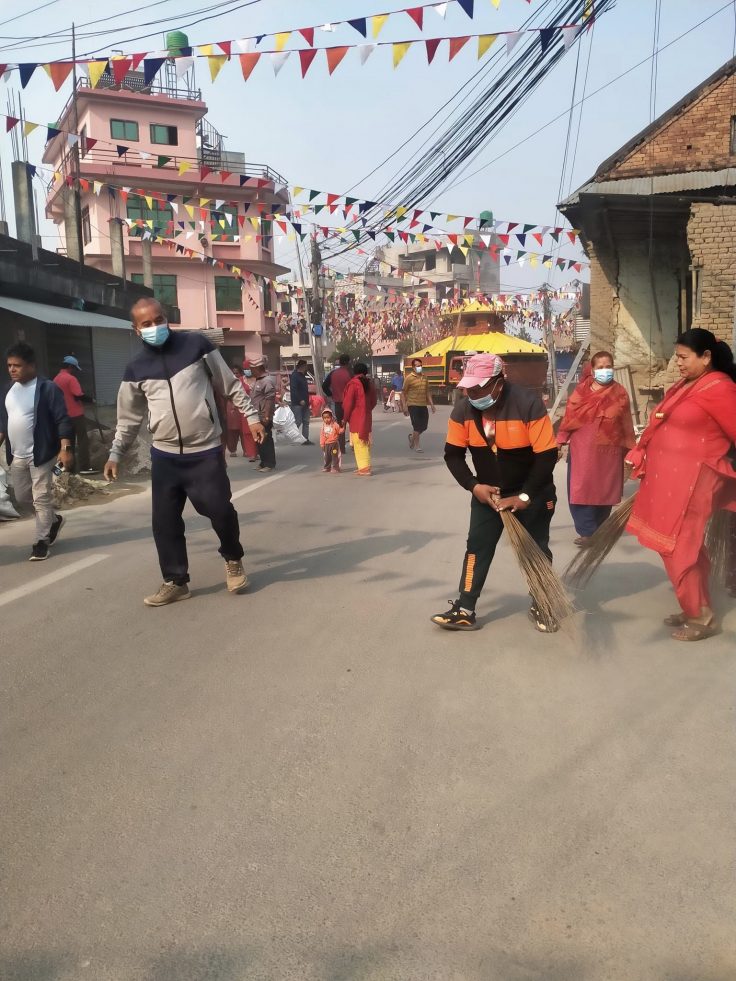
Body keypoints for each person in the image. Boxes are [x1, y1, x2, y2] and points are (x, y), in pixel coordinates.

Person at [103, 299, 264, 606]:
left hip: (204, 452)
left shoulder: (196, 346)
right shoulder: (135, 368)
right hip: (165, 456)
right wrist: (115, 454)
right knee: (164, 522)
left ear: (167, 319)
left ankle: (233, 558)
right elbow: (128, 418)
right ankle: (175, 581)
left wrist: (252, 417)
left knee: (220, 510)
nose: (154, 327)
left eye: (158, 319)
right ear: (136, 330)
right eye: (146, 324)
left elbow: (229, 385)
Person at [430, 353, 559, 633]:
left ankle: (543, 603)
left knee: (535, 550)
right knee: (477, 548)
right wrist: (474, 486)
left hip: (532, 494)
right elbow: (453, 455)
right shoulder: (462, 411)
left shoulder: (528, 404)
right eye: (469, 388)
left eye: (480, 387)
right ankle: (465, 608)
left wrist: (524, 496)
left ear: (500, 382)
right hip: (488, 496)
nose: (472, 393)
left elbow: (547, 456)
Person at [625, 328, 736, 642]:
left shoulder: (721, 389)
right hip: (669, 479)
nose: (679, 363)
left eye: (684, 357)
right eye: (677, 357)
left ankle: (702, 617)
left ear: (706, 357)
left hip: (694, 482)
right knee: (680, 546)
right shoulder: (687, 385)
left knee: (678, 547)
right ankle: (695, 605)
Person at [0, 342, 73, 561]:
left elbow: (63, 419)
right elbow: (3, 424)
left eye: (18, 365)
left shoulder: (47, 388)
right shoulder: (7, 390)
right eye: (9, 365)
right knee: (23, 498)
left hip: (41, 454)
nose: (12, 369)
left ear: (32, 365)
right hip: (17, 455)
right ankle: (53, 520)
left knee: (40, 497)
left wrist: (65, 449)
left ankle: (41, 542)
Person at [557, 351, 635, 545]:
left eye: (608, 366)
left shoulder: (620, 392)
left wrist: (632, 448)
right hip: (582, 450)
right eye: (600, 367)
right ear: (592, 370)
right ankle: (586, 532)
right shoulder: (581, 391)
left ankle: (600, 529)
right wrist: (561, 440)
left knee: (605, 489)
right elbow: (569, 417)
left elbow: (626, 421)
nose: (605, 370)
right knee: (581, 488)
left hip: (610, 450)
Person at [53, 355, 97, 474]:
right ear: (70, 367)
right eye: (74, 368)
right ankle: (85, 467)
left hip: (62, 417)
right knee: (83, 440)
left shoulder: (56, 379)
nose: (74, 371)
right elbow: (78, 395)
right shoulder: (70, 379)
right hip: (75, 415)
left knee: (67, 443)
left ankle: (64, 470)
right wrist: (91, 400)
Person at [342, 362, 377, 476]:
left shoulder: (353, 384)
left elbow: (348, 403)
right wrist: (366, 409)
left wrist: (345, 418)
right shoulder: (369, 383)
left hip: (356, 417)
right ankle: (363, 466)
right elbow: (374, 401)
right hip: (366, 416)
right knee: (364, 441)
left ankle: (364, 468)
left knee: (359, 442)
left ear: (354, 371)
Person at [248, 355, 277, 472]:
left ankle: (269, 464)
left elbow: (270, 399)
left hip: (264, 415)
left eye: (252, 368)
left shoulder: (267, 381)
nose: (250, 371)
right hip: (256, 415)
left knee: (266, 439)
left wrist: (266, 415)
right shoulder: (258, 381)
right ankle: (263, 462)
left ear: (259, 368)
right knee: (260, 440)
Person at [401, 357, 435, 452]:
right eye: (417, 366)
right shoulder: (409, 378)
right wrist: (404, 406)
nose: (419, 367)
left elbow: (427, 391)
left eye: (420, 366)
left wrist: (432, 404)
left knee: (424, 426)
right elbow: (403, 393)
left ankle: (412, 438)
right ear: (413, 367)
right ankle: (417, 446)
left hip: (423, 405)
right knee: (416, 426)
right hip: (413, 405)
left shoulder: (425, 377)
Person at [225, 365, 258, 461]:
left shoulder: (258, 379)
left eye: (249, 369)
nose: (235, 375)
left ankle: (257, 452)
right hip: (242, 408)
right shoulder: (238, 381)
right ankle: (250, 453)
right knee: (245, 432)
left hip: (257, 408)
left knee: (256, 431)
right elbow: (232, 393)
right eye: (246, 369)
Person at [323, 354, 352, 454]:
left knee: (340, 426)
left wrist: (330, 394)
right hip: (350, 403)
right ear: (348, 362)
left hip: (338, 403)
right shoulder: (349, 374)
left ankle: (342, 448)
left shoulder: (333, 373)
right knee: (353, 425)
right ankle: (354, 445)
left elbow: (324, 386)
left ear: (339, 362)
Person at [289, 359, 313, 444]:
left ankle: (305, 439)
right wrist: (300, 400)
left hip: (305, 402)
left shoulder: (303, 376)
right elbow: (294, 390)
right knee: (298, 421)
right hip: (297, 403)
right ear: (302, 366)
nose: (306, 368)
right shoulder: (295, 376)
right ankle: (294, 438)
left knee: (306, 421)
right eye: (305, 366)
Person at [319, 407, 343, 473]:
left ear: (331, 417)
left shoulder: (335, 425)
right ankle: (327, 467)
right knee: (327, 456)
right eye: (325, 418)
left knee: (335, 456)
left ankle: (336, 468)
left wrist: (343, 428)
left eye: (328, 417)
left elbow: (339, 431)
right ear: (323, 419)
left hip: (334, 444)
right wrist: (322, 444)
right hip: (326, 444)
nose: (326, 419)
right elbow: (322, 436)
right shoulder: (323, 426)